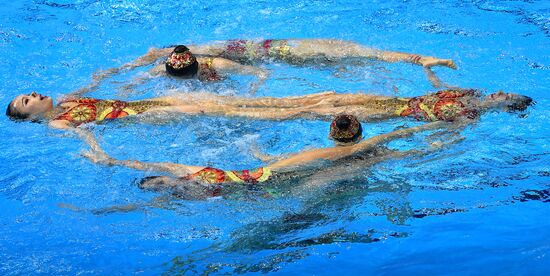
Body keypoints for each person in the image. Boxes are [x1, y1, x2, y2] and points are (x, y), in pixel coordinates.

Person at [81, 114, 451, 199]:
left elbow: (146, 163)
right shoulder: (199, 182)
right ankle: (440, 146)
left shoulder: (193, 171)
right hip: (263, 181)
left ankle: (438, 146)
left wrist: (106, 158)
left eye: (162, 181)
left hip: (262, 177)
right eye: (163, 184)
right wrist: (414, 131)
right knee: (362, 160)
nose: (167, 179)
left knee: (356, 163)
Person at [5, 89, 532, 130]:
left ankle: (314, 106)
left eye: (26, 92)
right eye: (25, 102)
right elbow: (88, 143)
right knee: (258, 113)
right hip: (155, 117)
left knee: (282, 104)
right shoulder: (62, 124)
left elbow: (102, 85)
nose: (31, 95)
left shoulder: (72, 99)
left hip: (156, 101)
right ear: (32, 118)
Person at [89, 39, 458, 92]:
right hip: (265, 53)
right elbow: (142, 66)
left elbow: (260, 71)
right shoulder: (167, 61)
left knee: (348, 54)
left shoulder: (214, 61)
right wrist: (108, 82)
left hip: (278, 51)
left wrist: (254, 86)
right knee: (344, 63)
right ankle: (416, 60)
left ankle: (417, 58)